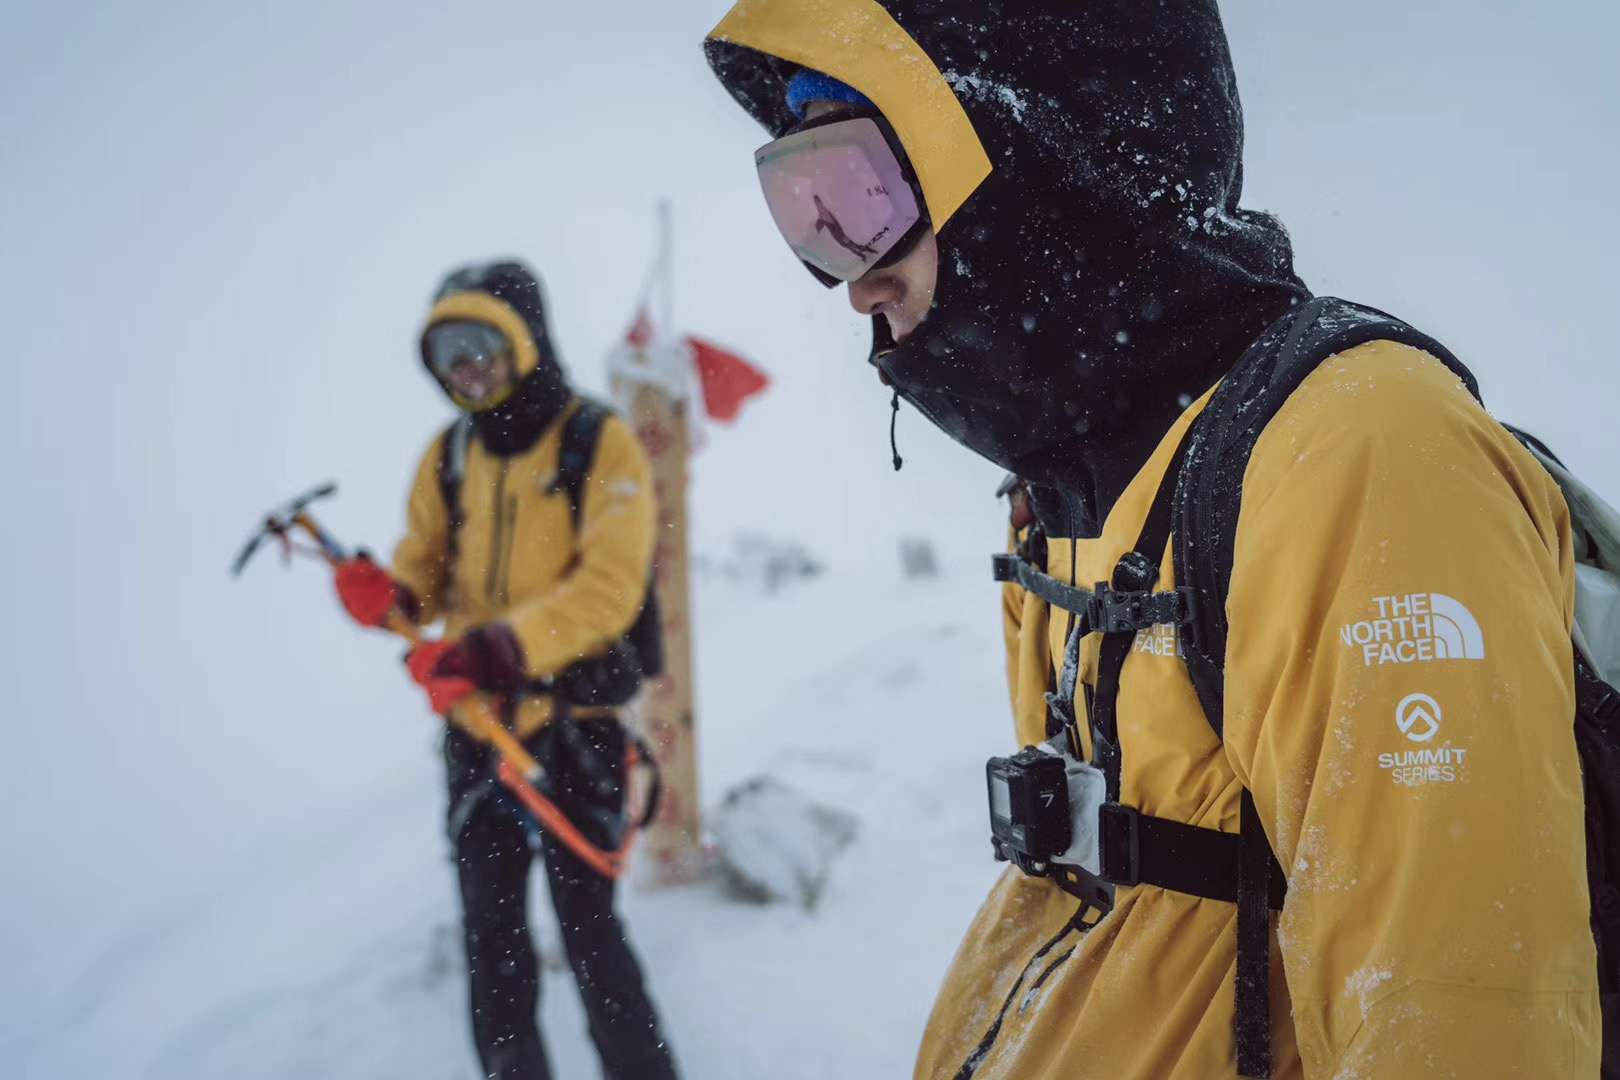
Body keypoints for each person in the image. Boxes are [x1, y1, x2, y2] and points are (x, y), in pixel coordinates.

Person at [703, 2, 1600, 1077]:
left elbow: (1461, 1024)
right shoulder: (1070, 487)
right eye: (804, 209)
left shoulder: (1358, 456)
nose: (852, 280)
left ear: (1033, 151)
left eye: (858, 193)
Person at [332, 260, 679, 1080]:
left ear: (523, 341)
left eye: (480, 342)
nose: (465, 367)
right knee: (493, 945)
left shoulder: (599, 440)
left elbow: (607, 588)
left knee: (591, 937)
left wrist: (494, 650)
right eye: (446, 352)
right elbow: (423, 587)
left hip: (575, 731)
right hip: (478, 737)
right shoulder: (448, 455)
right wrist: (384, 595)